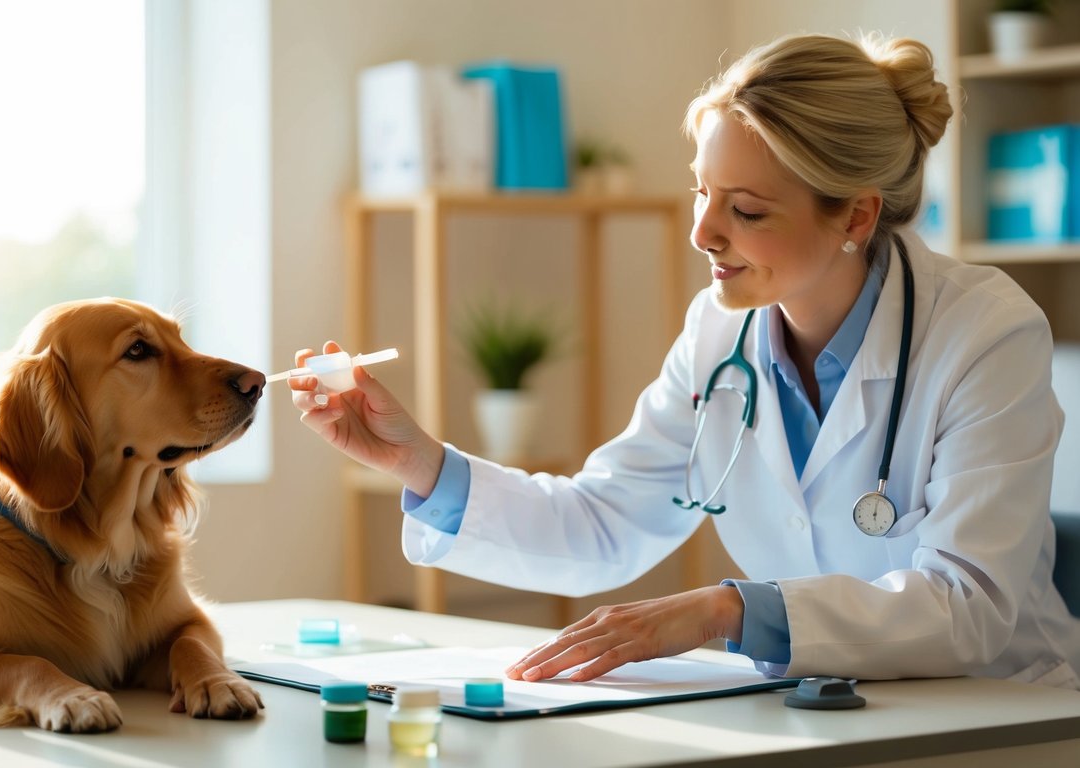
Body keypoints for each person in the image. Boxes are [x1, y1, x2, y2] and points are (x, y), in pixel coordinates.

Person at [291, 32, 1080, 688]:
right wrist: (419, 463)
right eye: (700, 192)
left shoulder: (984, 333)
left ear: (856, 213)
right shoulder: (718, 334)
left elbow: (967, 608)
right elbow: (603, 522)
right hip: (813, 715)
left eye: (744, 209)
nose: (702, 232)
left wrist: (725, 610)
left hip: (994, 717)